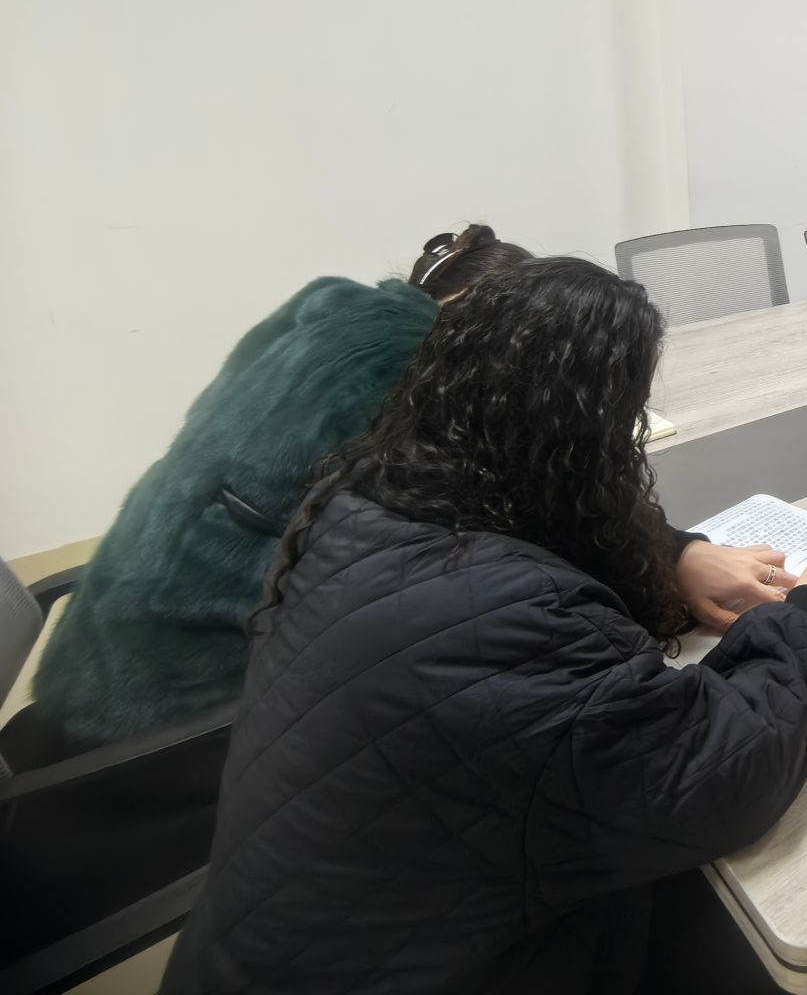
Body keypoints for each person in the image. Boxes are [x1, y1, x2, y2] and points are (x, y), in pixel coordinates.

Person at [162, 257, 807, 995]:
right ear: (583, 439)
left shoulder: (361, 504)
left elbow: (538, 513)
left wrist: (676, 554)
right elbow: (727, 771)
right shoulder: (515, 627)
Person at [32, 225, 532, 748]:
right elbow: (443, 517)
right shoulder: (408, 365)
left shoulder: (329, 305)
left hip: (109, 616)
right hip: (169, 693)